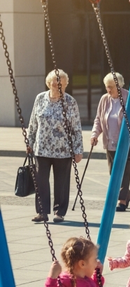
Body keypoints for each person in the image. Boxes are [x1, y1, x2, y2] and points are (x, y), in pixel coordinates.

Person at [26, 69, 83, 224]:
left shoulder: (70, 102)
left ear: (65, 85)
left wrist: (78, 150)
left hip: (63, 150)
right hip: (42, 149)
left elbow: (76, 128)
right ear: (48, 83)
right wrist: (29, 142)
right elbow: (33, 123)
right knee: (41, 181)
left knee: (61, 183)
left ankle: (59, 212)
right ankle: (42, 212)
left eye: (61, 85)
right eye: (55, 84)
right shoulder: (40, 99)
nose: (58, 87)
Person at [90, 72, 130, 212]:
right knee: (113, 173)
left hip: (125, 143)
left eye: (110, 87)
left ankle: (122, 201)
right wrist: (94, 134)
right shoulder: (104, 99)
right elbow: (98, 119)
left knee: (124, 173)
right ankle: (126, 195)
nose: (108, 90)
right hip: (109, 142)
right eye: (106, 87)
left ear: (119, 85)